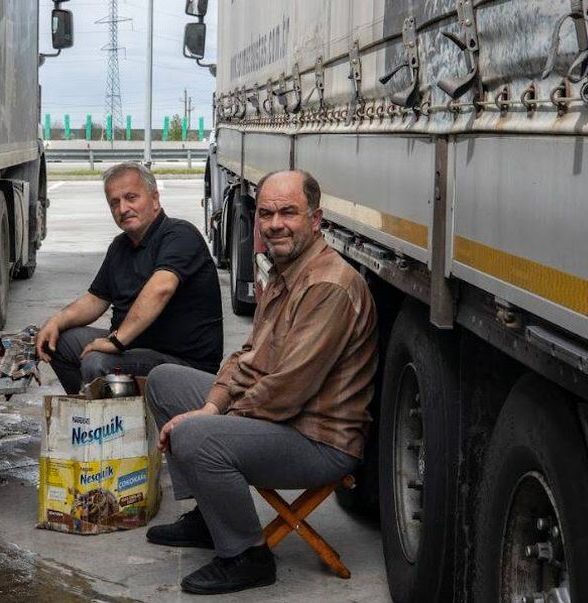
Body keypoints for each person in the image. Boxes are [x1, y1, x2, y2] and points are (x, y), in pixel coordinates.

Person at [144, 170, 378, 595]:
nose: (275, 223)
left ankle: (247, 555)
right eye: (267, 213)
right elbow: (247, 357)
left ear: (316, 219)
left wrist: (207, 421)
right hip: (282, 418)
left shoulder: (328, 285)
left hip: (318, 439)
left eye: (289, 212)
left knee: (197, 437)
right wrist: (212, 405)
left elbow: (288, 388)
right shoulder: (285, 272)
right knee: (164, 381)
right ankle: (210, 516)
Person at [35, 162, 224, 394]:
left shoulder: (180, 235)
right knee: (57, 341)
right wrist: (55, 321)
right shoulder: (120, 246)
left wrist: (116, 341)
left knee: (97, 362)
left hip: (182, 363)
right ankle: (88, 413)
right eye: (115, 202)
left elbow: (160, 288)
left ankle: (110, 425)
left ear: (155, 199)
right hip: (135, 349)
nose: (123, 208)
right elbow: (95, 299)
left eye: (131, 198)